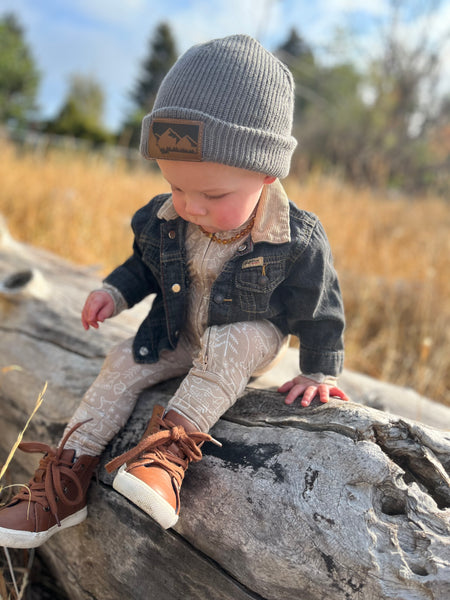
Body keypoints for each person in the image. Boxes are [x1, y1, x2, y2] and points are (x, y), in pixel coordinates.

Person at [0, 34, 349, 548]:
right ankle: (64, 483)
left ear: (267, 171)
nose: (191, 205)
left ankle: (164, 456)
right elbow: (143, 264)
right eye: (176, 185)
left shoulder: (295, 238)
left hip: (248, 339)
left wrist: (319, 369)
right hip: (179, 331)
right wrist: (114, 293)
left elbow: (320, 304)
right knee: (121, 360)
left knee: (233, 342)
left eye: (212, 193)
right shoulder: (165, 218)